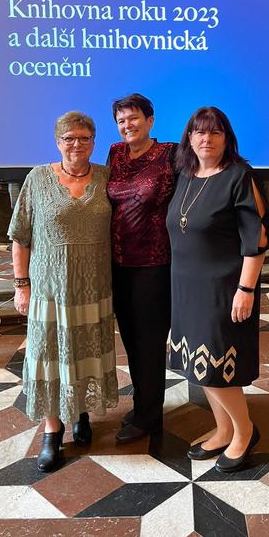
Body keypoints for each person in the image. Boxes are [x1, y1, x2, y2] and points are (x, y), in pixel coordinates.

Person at [167, 107, 269, 473]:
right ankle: (223, 429)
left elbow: (257, 239)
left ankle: (245, 432)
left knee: (216, 366)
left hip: (223, 289)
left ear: (227, 138)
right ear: (189, 138)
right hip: (186, 288)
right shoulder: (186, 174)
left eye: (215, 132)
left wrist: (246, 288)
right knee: (200, 365)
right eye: (199, 132)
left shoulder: (239, 177)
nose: (206, 139)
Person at [8, 111, 118, 471]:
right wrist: (21, 285)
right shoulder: (37, 178)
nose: (77, 144)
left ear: (94, 142)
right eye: (69, 138)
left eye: (84, 138)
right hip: (49, 289)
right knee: (50, 357)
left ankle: (81, 412)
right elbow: (20, 236)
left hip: (93, 288)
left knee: (84, 353)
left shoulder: (106, 176)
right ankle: (52, 431)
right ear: (58, 142)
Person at [107, 93, 177, 443]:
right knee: (131, 340)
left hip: (155, 265)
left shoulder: (171, 154)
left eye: (133, 118)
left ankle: (149, 416)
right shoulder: (116, 153)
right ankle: (143, 404)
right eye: (121, 120)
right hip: (119, 264)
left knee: (149, 342)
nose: (127, 125)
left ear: (150, 120)